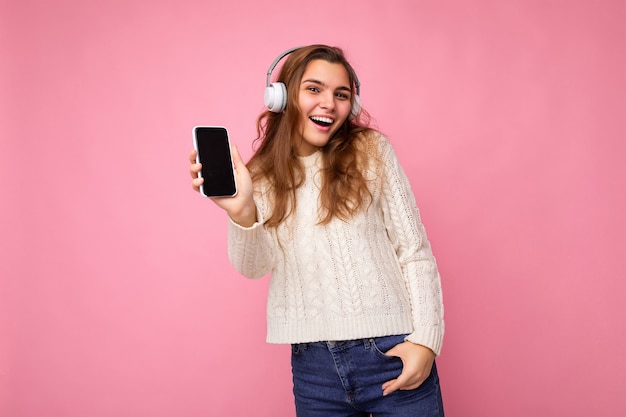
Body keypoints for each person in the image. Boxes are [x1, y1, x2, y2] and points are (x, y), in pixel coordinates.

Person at [189, 44, 445, 417]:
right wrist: (243, 212)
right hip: (314, 370)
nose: (329, 103)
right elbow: (254, 266)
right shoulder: (258, 175)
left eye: (341, 95)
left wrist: (426, 340)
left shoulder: (371, 151)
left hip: (391, 351)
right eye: (314, 89)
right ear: (282, 98)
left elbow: (413, 250)